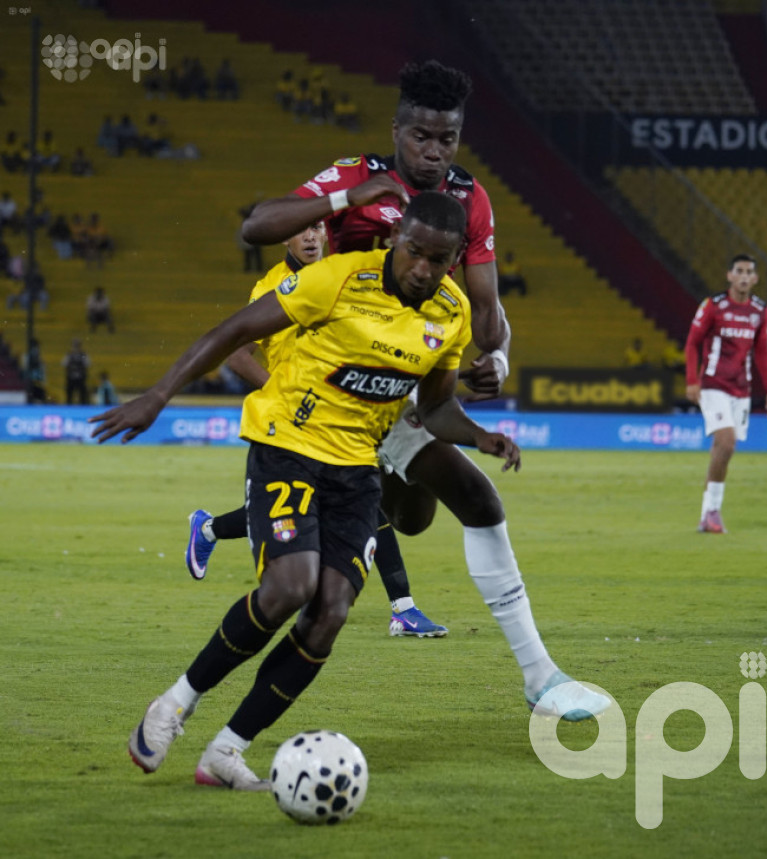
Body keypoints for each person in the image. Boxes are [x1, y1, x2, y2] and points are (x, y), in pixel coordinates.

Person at [90, 193, 525, 789]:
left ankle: (226, 750)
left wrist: (481, 436)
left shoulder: (449, 314)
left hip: (355, 473)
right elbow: (233, 331)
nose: (423, 267)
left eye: (438, 258)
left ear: (454, 261)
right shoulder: (338, 279)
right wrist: (158, 395)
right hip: (287, 447)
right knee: (289, 589)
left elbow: (437, 407)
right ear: (396, 242)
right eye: (414, 251)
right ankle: (172, 706)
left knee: (330, 613)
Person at [243, 59, 609, 715]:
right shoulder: (357, 177)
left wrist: (495, 355)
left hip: (405, 390)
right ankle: (541, 677)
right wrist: (340, 202)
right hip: (338, 393)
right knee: (474, 497)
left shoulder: (470, 198)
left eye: (447, 138)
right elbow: (258, 223)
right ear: (398, 129)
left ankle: (537, 676)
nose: (434, 151)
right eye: (421, 137)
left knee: (415, 517)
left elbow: (486, 308)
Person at [186, 221, 448, 636]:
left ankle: (404, 608)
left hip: (345, 417)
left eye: (317, 230)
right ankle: (209, 528)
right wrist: (279, 389)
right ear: (286, 238)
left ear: (327, 235)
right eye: (301, 231)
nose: (310, 237)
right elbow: (236, 354)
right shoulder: (273, 285)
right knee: (301, 511)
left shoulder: (342, 276)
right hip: (291, 423)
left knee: (367, 499)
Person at [685, 253, 767, 534]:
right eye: (739, 271)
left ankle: (707, 514)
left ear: (756, 278)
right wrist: (692, 380)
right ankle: (713, 512)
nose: (745, 276)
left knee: (723, 450)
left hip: (742, 389)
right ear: (729, 275)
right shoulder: (713, 306)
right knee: (726, 443)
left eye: (749, 272)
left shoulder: (760, 311)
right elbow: (692, 343)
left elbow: (761, 351)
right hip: (713, 384)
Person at [62, 338, 91, 404]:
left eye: (77, 345)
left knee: (82, 394)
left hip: (80, 377)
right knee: (69, 394)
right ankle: (69, 406)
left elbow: (88, 364)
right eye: (75, 345)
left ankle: (83, 406)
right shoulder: (69, 355)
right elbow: (64, 363)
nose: (76, 347)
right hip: (71, 377)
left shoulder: (83, 355)